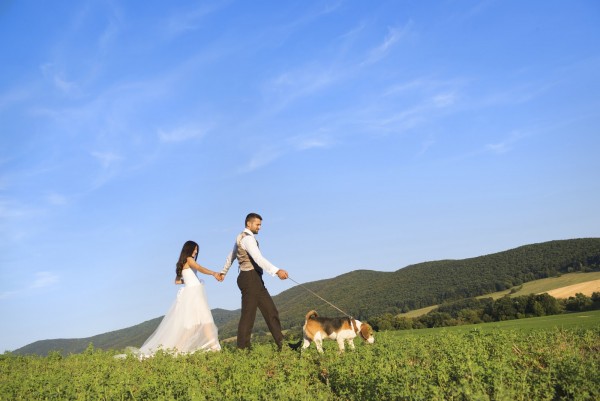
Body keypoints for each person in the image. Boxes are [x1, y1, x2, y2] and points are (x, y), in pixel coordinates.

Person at [138, 240, 222, 357]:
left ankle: (178, 350)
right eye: (194, 249)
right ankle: (214, 348)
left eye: (197, 250)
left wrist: (186, 280)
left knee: (194, 325)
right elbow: (198, 267)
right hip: (195, 294)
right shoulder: (189, 259)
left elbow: (177, 281)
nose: (196, 252)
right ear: (188, 249)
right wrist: (213, 273)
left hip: (192, 293)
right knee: (205, 321)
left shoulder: (181, 263)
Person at [219, 213, 289, 350]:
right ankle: (243, 350)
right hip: (250, 278)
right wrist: (276, 271)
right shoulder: (248, 239)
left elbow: (231, 255)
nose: (260, 227)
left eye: (260, 224)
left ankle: (283, 345)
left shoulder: (240, 237)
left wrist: (223, 272)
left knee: (271, 311)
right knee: (248, 315)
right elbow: (258, 258)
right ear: (248, 224)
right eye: (257, 224)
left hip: (253, 279)